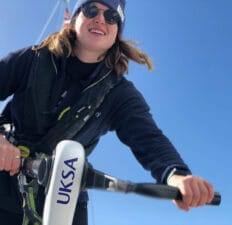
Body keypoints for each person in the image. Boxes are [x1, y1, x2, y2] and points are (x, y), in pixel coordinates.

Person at [0, 0, 215, 224]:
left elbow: (148, 137)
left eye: (112, 17)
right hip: (6, 178)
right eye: (91, 9)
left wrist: (176, 174)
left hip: (64, 195)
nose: (101, 19)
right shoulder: (33, 59)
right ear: (74, 20)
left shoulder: (119, 94)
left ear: (116, 32)